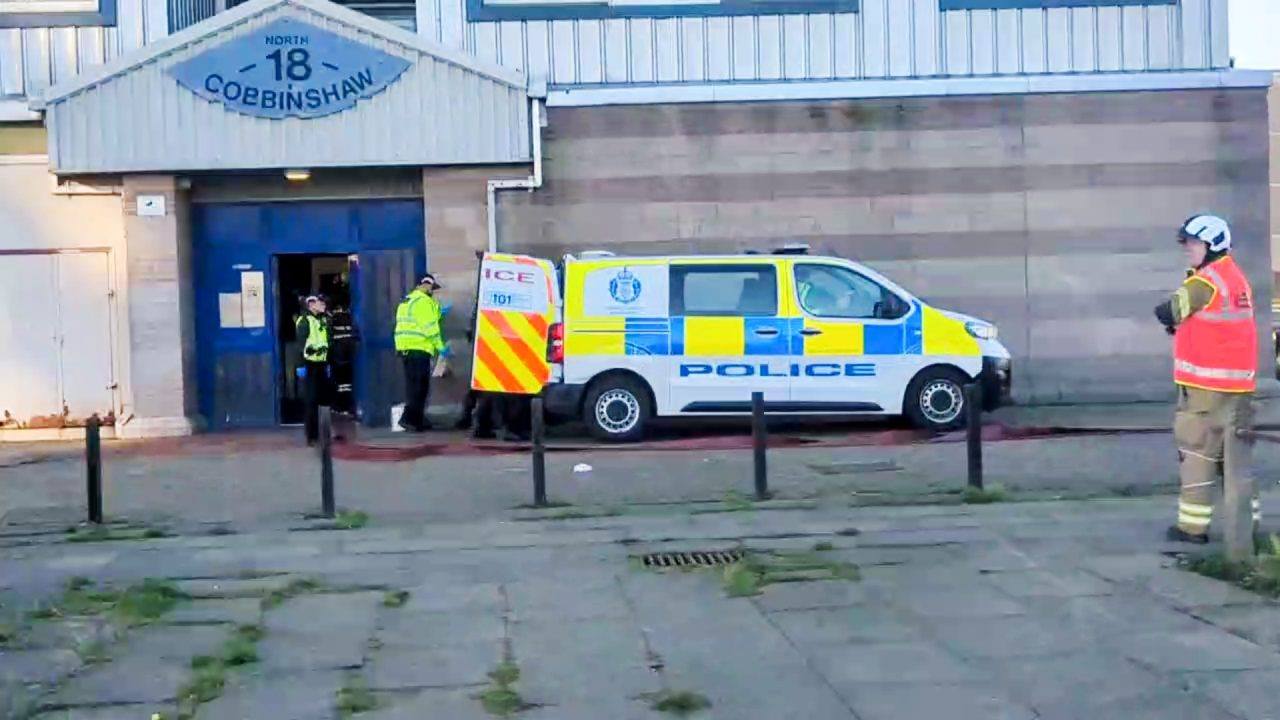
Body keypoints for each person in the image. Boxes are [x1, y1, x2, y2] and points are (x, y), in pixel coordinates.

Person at [1154, 214, 1259, 543]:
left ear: (1212, 244)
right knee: (1235, 461)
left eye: (1193, 243)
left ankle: (1192, 529)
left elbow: (1169, 310)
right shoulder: (1236, 278)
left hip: (1204, 392)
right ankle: (1247, 529)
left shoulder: (1206, 280)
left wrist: (1174, 314)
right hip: (1239, 388)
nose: (1188, 249)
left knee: (1198, 455)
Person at [394, 274, 445, 432]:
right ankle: (409, 419)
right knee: (418, 387)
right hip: (419, 349)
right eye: (429, 286)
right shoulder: (423, 301)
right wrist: (441, 348)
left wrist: (439, 311)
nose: (431, 290)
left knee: (416, 386)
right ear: (421, 285)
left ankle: (417, 419)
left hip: (408, 349)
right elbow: (430, 327)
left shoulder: (407, 300)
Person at [296, 295, 331, 446]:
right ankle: (312, 437)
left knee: (323, 400)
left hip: (322, 364)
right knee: (311, 401)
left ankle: (323, 433)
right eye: (319, 302)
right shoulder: (304, 321)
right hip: (310, 365)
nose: (323, 304)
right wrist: (301, 366)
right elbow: (301, 345)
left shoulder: (322, 320)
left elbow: (327, 342)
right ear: (311, 305)